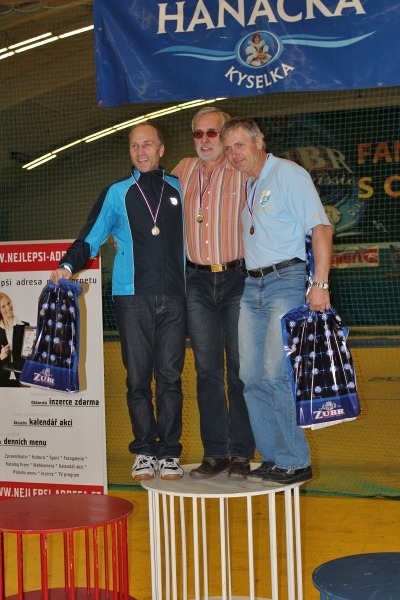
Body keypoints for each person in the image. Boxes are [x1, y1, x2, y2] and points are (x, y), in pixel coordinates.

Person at [50, 122, 187, 482]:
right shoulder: (116, 193)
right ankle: (144, 450)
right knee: (138, 378)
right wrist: (67, 266)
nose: (140, 151)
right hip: (131, 298)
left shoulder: (179, 188)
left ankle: (169, 453)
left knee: (170, 378)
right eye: (134, 145)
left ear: (161, 149)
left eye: (147, 144)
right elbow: (90, 237)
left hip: (175, 296)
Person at [221, 117, 333, 486]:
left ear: (259, 142)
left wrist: (320, 283)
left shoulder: (288, 174)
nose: (234, 154)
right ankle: (272, 457)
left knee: (275, 372)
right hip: (252, 286)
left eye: (239, 145)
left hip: (286, 280)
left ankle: (295, 460)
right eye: (228, 149)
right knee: (250, 377)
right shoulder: (249, 185)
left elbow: (321, 228)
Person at [173, 107, 255, 480]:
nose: (205, 140)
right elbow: (151, 206)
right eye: (198, 133)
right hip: (196, 282)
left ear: (224, 137)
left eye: (212, 133)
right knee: (206, 370)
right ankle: (215, 453)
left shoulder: (242, 170)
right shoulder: (182, 170)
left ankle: (241, 453)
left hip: (238, 277)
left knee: (240, 368)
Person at [0, 292, 29, 387]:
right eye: (3, 306)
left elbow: (28, 355)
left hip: (21, 377)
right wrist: (0, 357)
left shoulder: (25, 326)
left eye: (9, 303)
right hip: (2, 379)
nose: (8, 307)